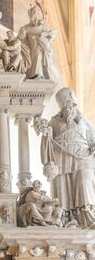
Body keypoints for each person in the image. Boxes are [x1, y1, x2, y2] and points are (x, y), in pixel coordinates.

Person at [37, 87, 95, 227]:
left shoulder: (85, 123)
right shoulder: (54, 122)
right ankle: (65, 218)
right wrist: (46, 133)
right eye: (68, 105)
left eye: (72, 105)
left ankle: (87, 215)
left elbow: (92, 140)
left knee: (84, 180)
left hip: (82, 157)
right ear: (62, 107)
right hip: (61, 157)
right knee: (63, 185)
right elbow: (47, 142)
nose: (71, 108)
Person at [19, 5, 56, 79]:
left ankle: (39, 74)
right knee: (35, 55)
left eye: (36, 14)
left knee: (39, 55)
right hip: (32, 46)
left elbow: (49, 34)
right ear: (31, 16)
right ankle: (33, 74)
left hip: (41, 46)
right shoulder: (26, 28)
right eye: (34, 14)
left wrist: (47, 36)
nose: (35, 17)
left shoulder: (42, 26)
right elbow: (21, 38)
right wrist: (22, 32)